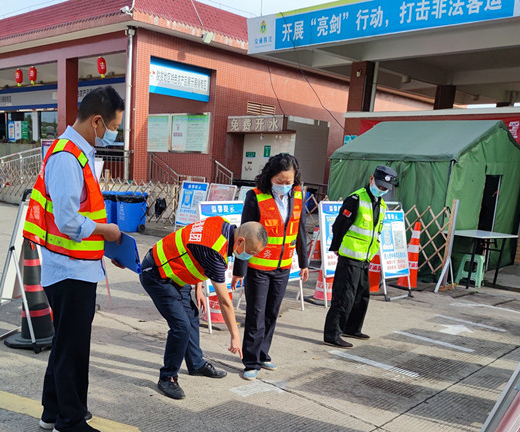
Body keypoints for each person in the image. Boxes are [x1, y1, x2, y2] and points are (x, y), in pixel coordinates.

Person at [23, 86, 124, 432]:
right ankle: (70, 419)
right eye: (113, 126)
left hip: (76, 265)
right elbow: (68, 220)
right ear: (97, 121)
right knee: (73, 348)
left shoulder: (76, 154)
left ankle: (54, 410)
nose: (113, 134)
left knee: (66, 343)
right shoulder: (67, 157)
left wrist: (106, 245)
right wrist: (107, 231)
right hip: (69, 270)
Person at [140, 217, 268, 399]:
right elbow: (225, 301)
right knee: (181, 327)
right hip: (157, 275)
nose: (251, 256)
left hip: (177, 274)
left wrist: (198, 287)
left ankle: (196, 364)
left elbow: (195, 251)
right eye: (252, 252)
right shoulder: (215, 252)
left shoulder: (220, 223)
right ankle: (167, 377)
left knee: (192, 316)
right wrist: (235, 337)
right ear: (240, 241)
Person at [232, 153, 309, 380]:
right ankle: (251, 361)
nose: (285, 186)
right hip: (258, 266)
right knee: (256, 313)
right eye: (280, 181)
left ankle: (263, 353)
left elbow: (300, 229)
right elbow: (245, 235)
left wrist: (304, 262)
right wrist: (239, 271)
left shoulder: (298, 195)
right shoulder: (255, 196)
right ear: (270, 177)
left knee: (272, 312)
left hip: (283, 266)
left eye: (289, 182)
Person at [323, 165, 397, 348]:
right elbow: (339, 225)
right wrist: (336, 247)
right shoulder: (356, 199)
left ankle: (352, 328)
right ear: (372, 179)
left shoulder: (382, 205)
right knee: (344, 297)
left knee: (361, 295)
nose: (381, 190)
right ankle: (333, 334)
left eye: (384, 189)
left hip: (365, 257)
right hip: (350, 256)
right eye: (379, 186)